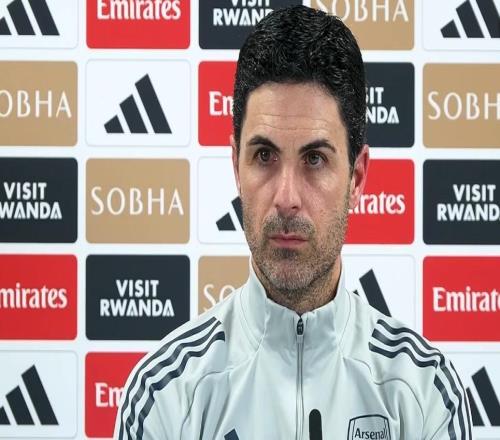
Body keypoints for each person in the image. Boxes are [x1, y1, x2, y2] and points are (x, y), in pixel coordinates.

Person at [115, 5, 472, 439]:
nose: (286, 198)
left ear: (357, 177)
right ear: (236, 166)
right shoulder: (166, 395)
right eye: (264, 156)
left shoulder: (424, 391)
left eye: (314, 159)